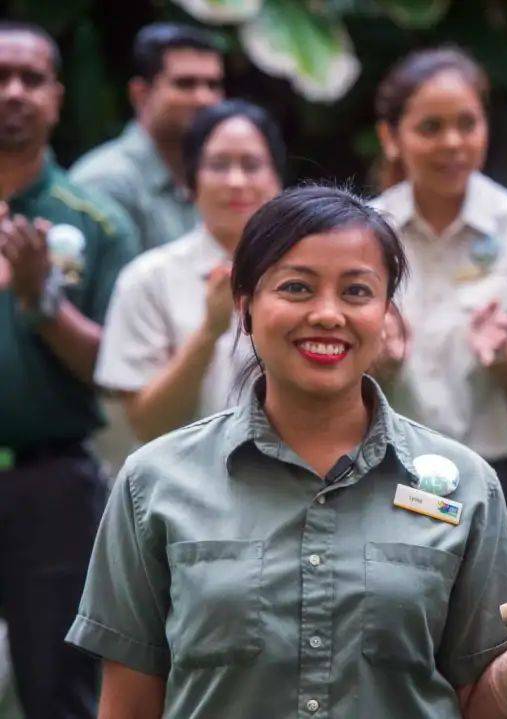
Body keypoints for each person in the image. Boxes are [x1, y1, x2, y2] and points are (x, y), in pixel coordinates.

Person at [66, 184, 507, 718]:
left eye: (356, 292)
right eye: (297, 288)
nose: (327, 314)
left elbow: (485, 700)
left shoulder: (467, 485)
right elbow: (128, 704)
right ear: (244, 304)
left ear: (387, 313)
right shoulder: (153, 483)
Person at [370, 47, 507, 594]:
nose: (452, 143)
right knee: (399, 639)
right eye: (431, 127)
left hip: (502, 473)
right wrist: (378, 362)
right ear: (392, 137)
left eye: (467, 124)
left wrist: (502, 357)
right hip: (392, 470)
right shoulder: (364, 228)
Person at [0, 22, 137, 718]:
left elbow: (115, 371)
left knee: (59, 688)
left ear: (57, 96)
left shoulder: (97, 223)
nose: (13, 93)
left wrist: (40, 300)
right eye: (1, 78)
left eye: (31, 78)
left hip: (50, 483)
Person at [94, 100, 285, 442]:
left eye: (252, 164)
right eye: (219, 165)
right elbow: (148, 425)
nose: (237, 181)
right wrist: (210, 331)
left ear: (277, 177)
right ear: (190, 180)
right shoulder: (148, 279)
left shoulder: (309, 277)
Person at [71, 23, 224, 252]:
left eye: (213, 85)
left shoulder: (220, 177)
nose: (204, 98)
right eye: (185, 84)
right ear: (140, 94)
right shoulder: (106, 181)